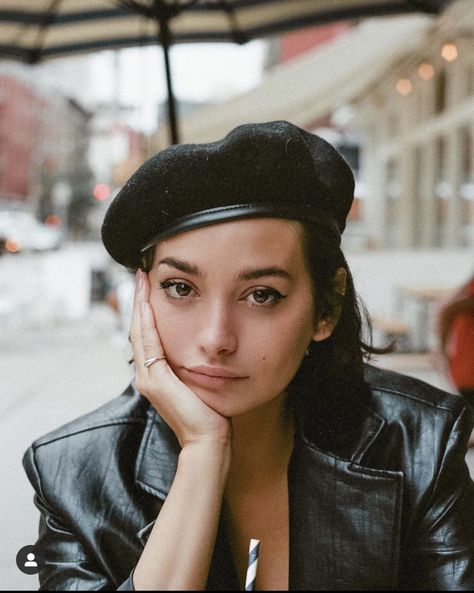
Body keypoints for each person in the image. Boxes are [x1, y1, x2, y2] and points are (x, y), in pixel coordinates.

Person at [23, 121, 474, 591]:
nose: (216, 338)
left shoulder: (419, 445)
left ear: (327, 307)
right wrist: (203, 453)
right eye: (180, 288)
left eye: (261, 295)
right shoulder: (72, 475)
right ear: (143, 299)